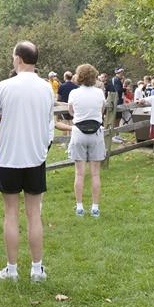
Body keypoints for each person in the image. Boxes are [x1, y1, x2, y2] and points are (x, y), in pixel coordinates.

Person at [0, 41, 54, 282]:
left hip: (10, 158)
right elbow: (47, 119)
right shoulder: (47, 88)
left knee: (11, 214)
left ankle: (12, 270)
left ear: (19, 59)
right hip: (36, 157)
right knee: (34, 215)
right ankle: (37, 270)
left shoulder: (5, 86)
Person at [54, 63, 105, 217]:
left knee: (79, 173)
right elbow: (101, 110)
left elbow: (71, 111)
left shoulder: (74, 93)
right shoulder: (99, 93)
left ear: (79, 76)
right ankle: (95, 208)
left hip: (78, 132)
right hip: (96, 133)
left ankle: (79, 207)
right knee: (95, 174)